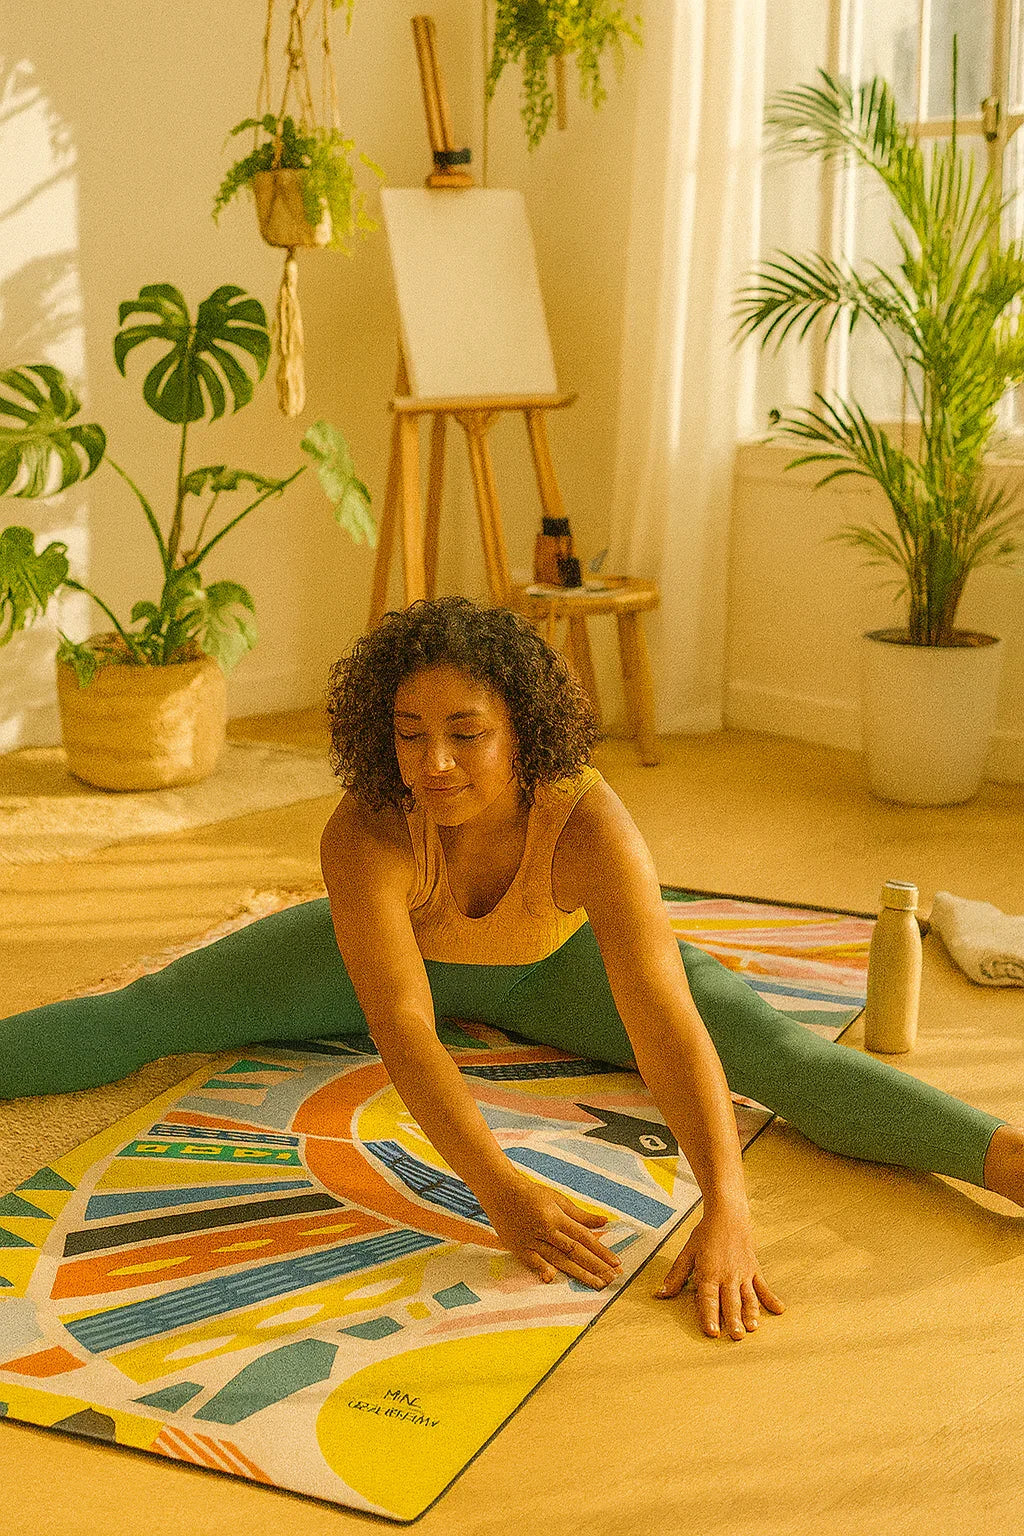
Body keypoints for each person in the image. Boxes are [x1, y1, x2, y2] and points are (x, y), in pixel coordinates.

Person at [3, 597, 1023, 1344]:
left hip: (554, 968)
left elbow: (664, 1018)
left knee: (761, 1044)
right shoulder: (365, 833)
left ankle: (1002, 1158)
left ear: (522, 732)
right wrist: (497, 1189)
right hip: (378, 961)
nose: (433, 763)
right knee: (146, 1012)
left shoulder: (586, 820)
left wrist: (728, 1208)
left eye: (465, 734)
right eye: (409, 735)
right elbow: (401, 1025)